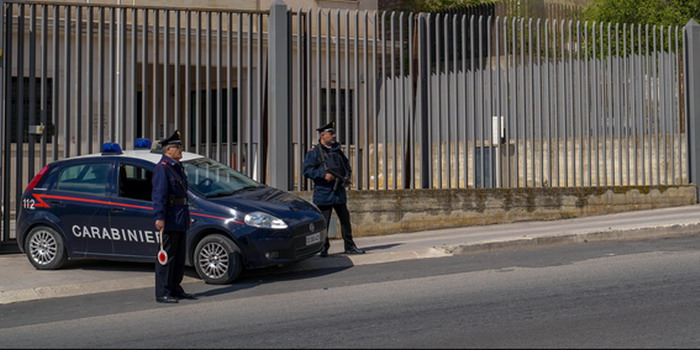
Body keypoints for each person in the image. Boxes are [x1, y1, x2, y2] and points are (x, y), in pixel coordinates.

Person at [303, 121, 366, 257]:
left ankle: (349, 246)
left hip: (338, 191)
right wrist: (323, 175)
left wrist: (346, 178)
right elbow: (307, 171)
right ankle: (323, 248)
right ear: (323, 135)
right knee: (323, 223)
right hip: (324, 192)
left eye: (333, 133)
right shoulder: (314, 153)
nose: (334, 136)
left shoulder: (337, 151)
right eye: (331, 134)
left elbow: (346, 166)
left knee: (345, 220)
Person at [151, 130, 197, 303]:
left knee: (178, 258)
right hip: (169, 217)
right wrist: (159, 217)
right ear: (169, 150)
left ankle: (175, 288)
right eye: (178, 147)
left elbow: (183, 195)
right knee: (166, 257)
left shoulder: (176, 167)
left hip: (180, 216)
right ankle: (162, 292)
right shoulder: (163, 169)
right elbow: (159, 195)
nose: (181, 150)